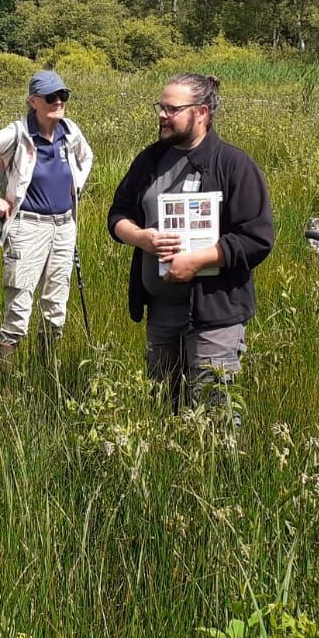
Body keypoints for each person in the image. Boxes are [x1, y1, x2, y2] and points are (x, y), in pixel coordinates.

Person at [107, 73, 273, 411]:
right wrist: (142, 238)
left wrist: (197, 261)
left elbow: (256, 238)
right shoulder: (150, 161)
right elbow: (117, 216)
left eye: (172, 109)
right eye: (161, 107)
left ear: (201, 112)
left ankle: (221, 467)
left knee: (213, 416)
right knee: (160, 406)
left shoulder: (233, 165)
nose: (162, 115)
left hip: (214, 316)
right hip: (161, 312)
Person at [0, 70, 94, 358]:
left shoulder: (69, 131)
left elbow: (86, 157)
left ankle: (47, 373)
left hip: (65, 226)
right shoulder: (17, 134)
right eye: (51, 97)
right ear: (33, 102)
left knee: (56, 310)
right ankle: (3, 383)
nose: (59, 102)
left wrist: (74, 187)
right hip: (27, 228)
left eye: (63, 96)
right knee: (18, 310)